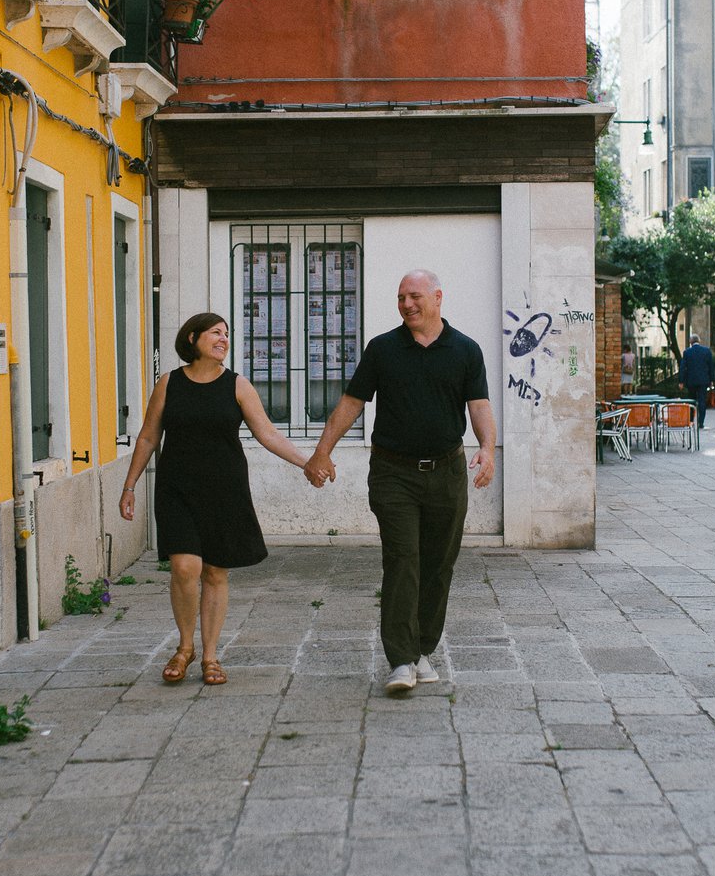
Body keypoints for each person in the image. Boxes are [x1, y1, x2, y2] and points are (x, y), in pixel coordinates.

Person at [306, 270, 496, 697]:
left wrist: (488, 449)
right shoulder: (383, 349)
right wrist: (322, 451)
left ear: (437, 297)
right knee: (403, 559)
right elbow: (352, 402)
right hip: (394, 473)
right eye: (400, 298)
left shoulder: (465, 349)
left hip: (447, 472)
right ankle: (401, 659)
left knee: (439, 565)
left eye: (414, 296)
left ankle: (422, 649)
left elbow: (479, 404)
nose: (407, 304)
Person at [120, 313, 313, 685]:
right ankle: (185, 646)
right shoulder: (169, 383)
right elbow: (148, 437)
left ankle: (209, 655)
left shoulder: (237, 385)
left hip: (225, 491)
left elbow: (268, 434)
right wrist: (129, 487)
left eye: (226, 334)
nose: (223, 338)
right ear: (193, 338)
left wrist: (308, 462)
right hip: (177, 489)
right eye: (215, 332)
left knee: (214, 572)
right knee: (184, 567)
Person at [678, 332, 715, 430]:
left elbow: (683, 367)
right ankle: (701, 423)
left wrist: (681, 381)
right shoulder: (706, 351)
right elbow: (711, 367)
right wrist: (712, 380)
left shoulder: (687, 352)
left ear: (690, 342)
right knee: (702, 401)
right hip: (703, 381)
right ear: (699, 341)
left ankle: (691, 420)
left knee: (691, 401)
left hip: (691, 381)